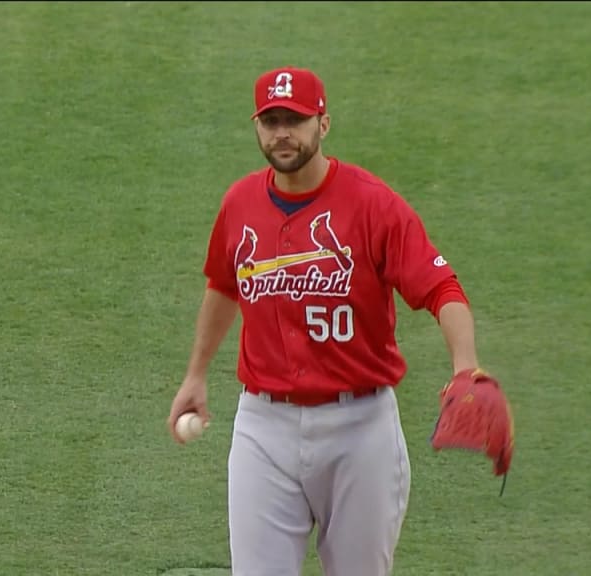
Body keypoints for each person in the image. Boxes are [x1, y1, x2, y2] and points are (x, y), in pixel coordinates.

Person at [167, 66, 484, 576]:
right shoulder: (239, 203)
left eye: (294, 119)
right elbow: (226, 284)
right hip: (262, 428)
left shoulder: (373, 205)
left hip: (359, 430)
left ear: (324, 123)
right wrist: (196, 374)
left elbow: (442, 289)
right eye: (270, 121)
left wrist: (466, 367)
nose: (282, 133)